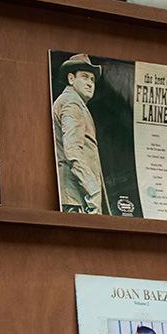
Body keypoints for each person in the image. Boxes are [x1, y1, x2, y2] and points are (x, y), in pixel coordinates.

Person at [51, 54, 109, 214]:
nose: (90, 83)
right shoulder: (72, 103)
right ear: (71, 79)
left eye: (92, 79)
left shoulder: (73, 102)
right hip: (75, 200)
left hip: (76, 198)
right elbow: (73, 150)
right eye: (84, 77)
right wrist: (93, 190)